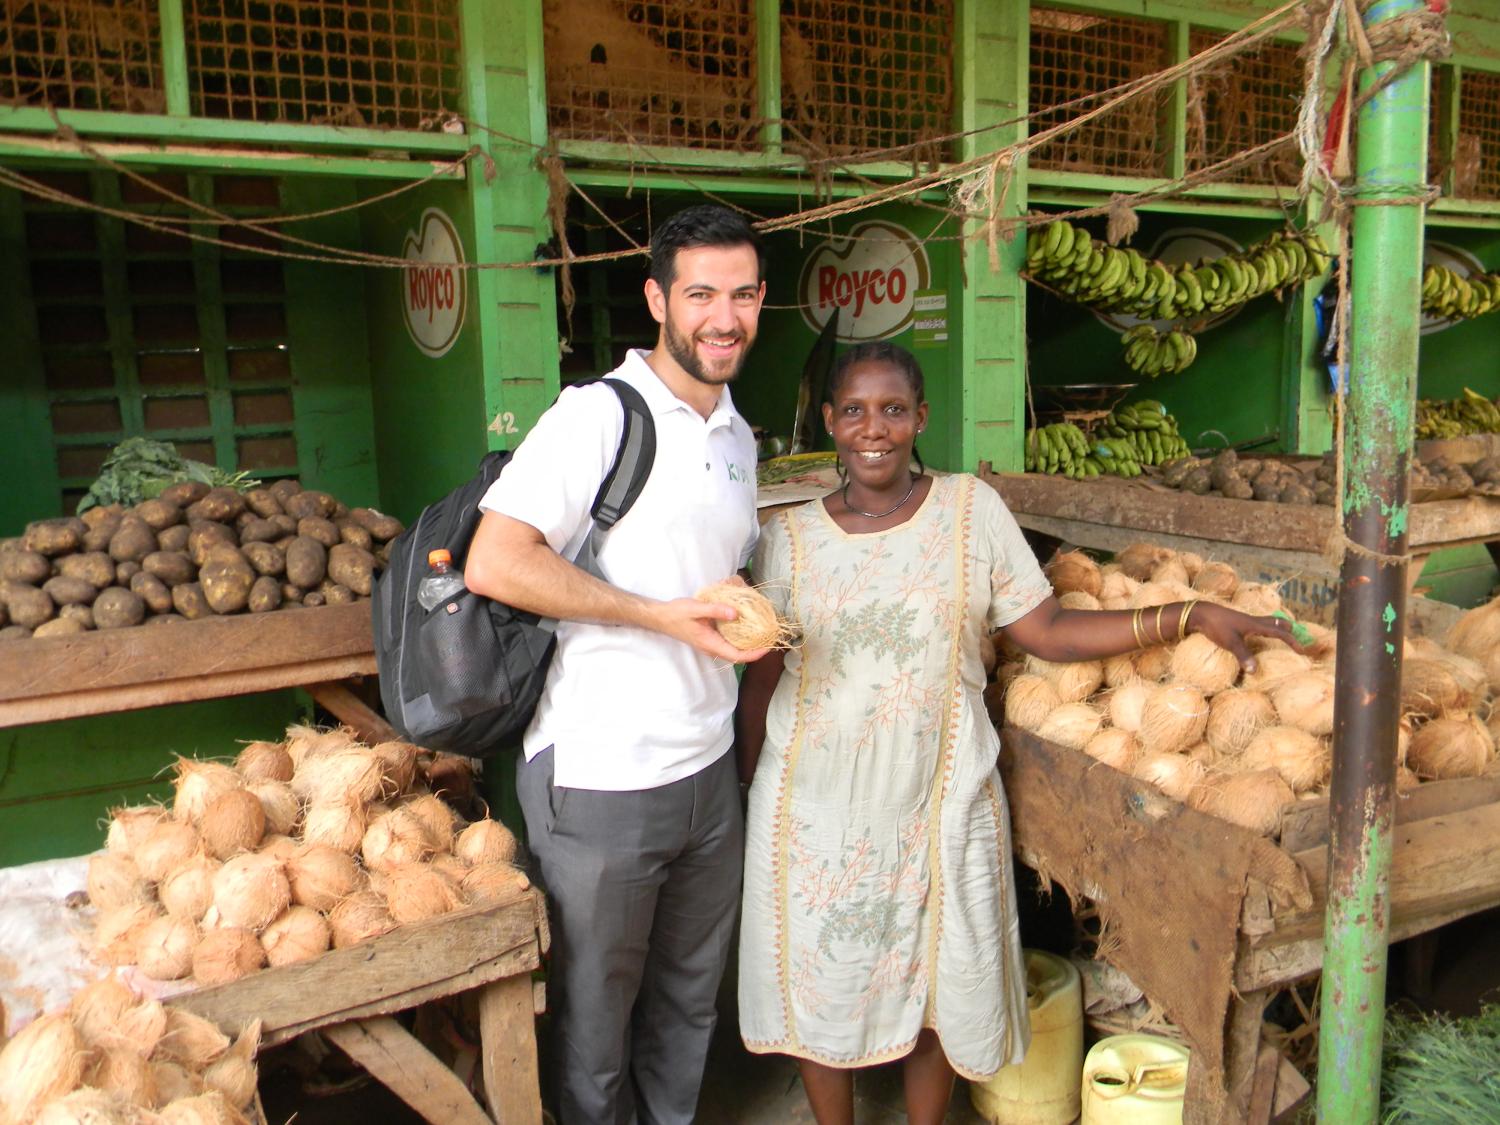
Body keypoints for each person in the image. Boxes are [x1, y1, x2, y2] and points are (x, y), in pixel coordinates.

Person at [734, 341, 1297, 1125]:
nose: (874, 428)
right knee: (825, 980)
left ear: (920, 417)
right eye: (854, 410)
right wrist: (745, 790)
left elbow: (1051, 630)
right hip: (815, 806)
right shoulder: (787, 539)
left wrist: (1190, 613)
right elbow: (763, 679)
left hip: (938, 793)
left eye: (894, 409)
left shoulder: (970, 512)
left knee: (939, 979)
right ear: (830, 421)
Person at [464, 203, 770, 1124]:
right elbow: (497, 560)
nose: (725, 317)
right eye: (703, 293)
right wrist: (658, 617)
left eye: (745, 295)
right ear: (657, 298)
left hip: (706, 769)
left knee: (687, 1005)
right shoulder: (599, 416)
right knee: (596, 1027)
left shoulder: (736, 435)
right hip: (602, 776)